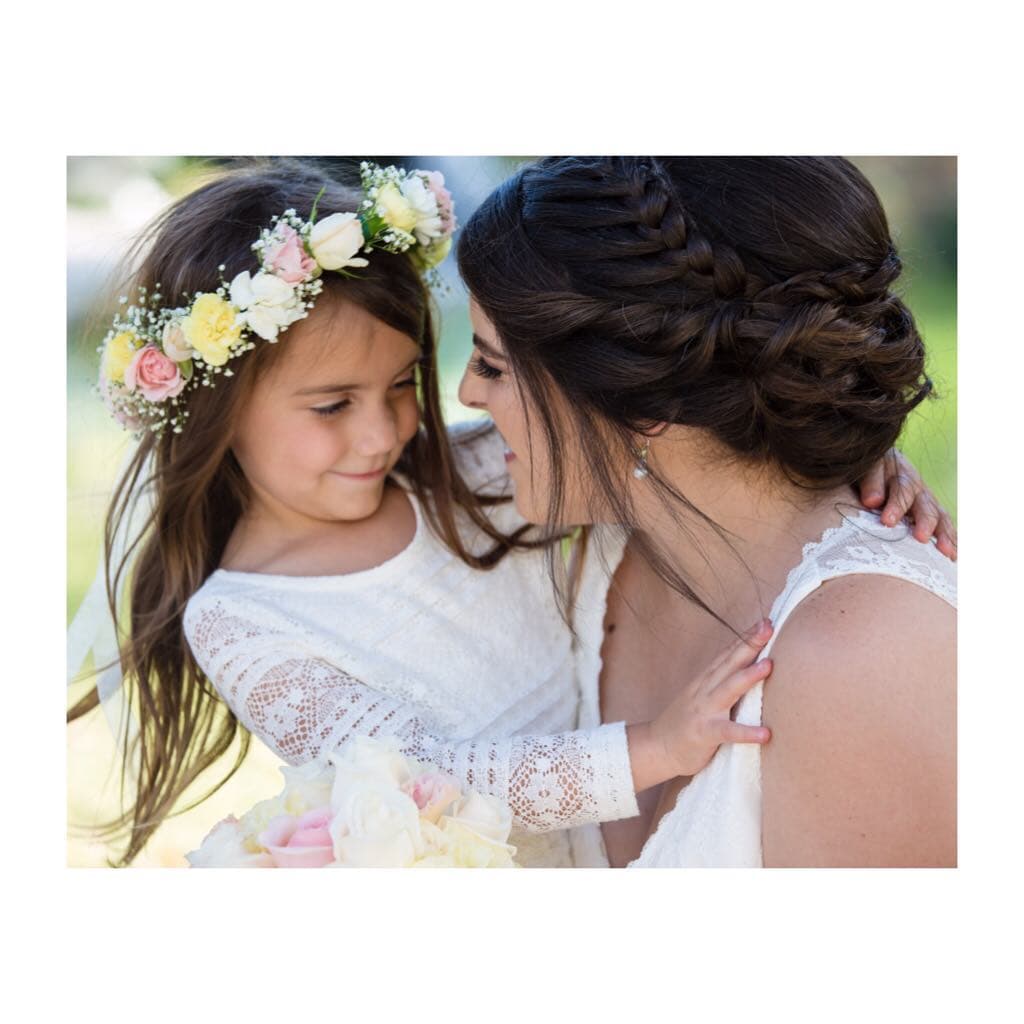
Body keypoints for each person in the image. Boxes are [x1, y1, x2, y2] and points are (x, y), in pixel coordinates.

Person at [67, 158, 949, 869]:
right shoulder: (243, 618)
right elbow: (426, 783)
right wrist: (653, 747)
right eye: (333, 406)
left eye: (396, 385)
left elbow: (695, 406)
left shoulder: (452, 480)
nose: (388, 431)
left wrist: (847, 444)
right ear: (218, 416)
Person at [455, 156, 956, 867]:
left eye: (495, 366)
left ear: (646, 402)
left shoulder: (867, 660)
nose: (469, 397)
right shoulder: (599, 551)